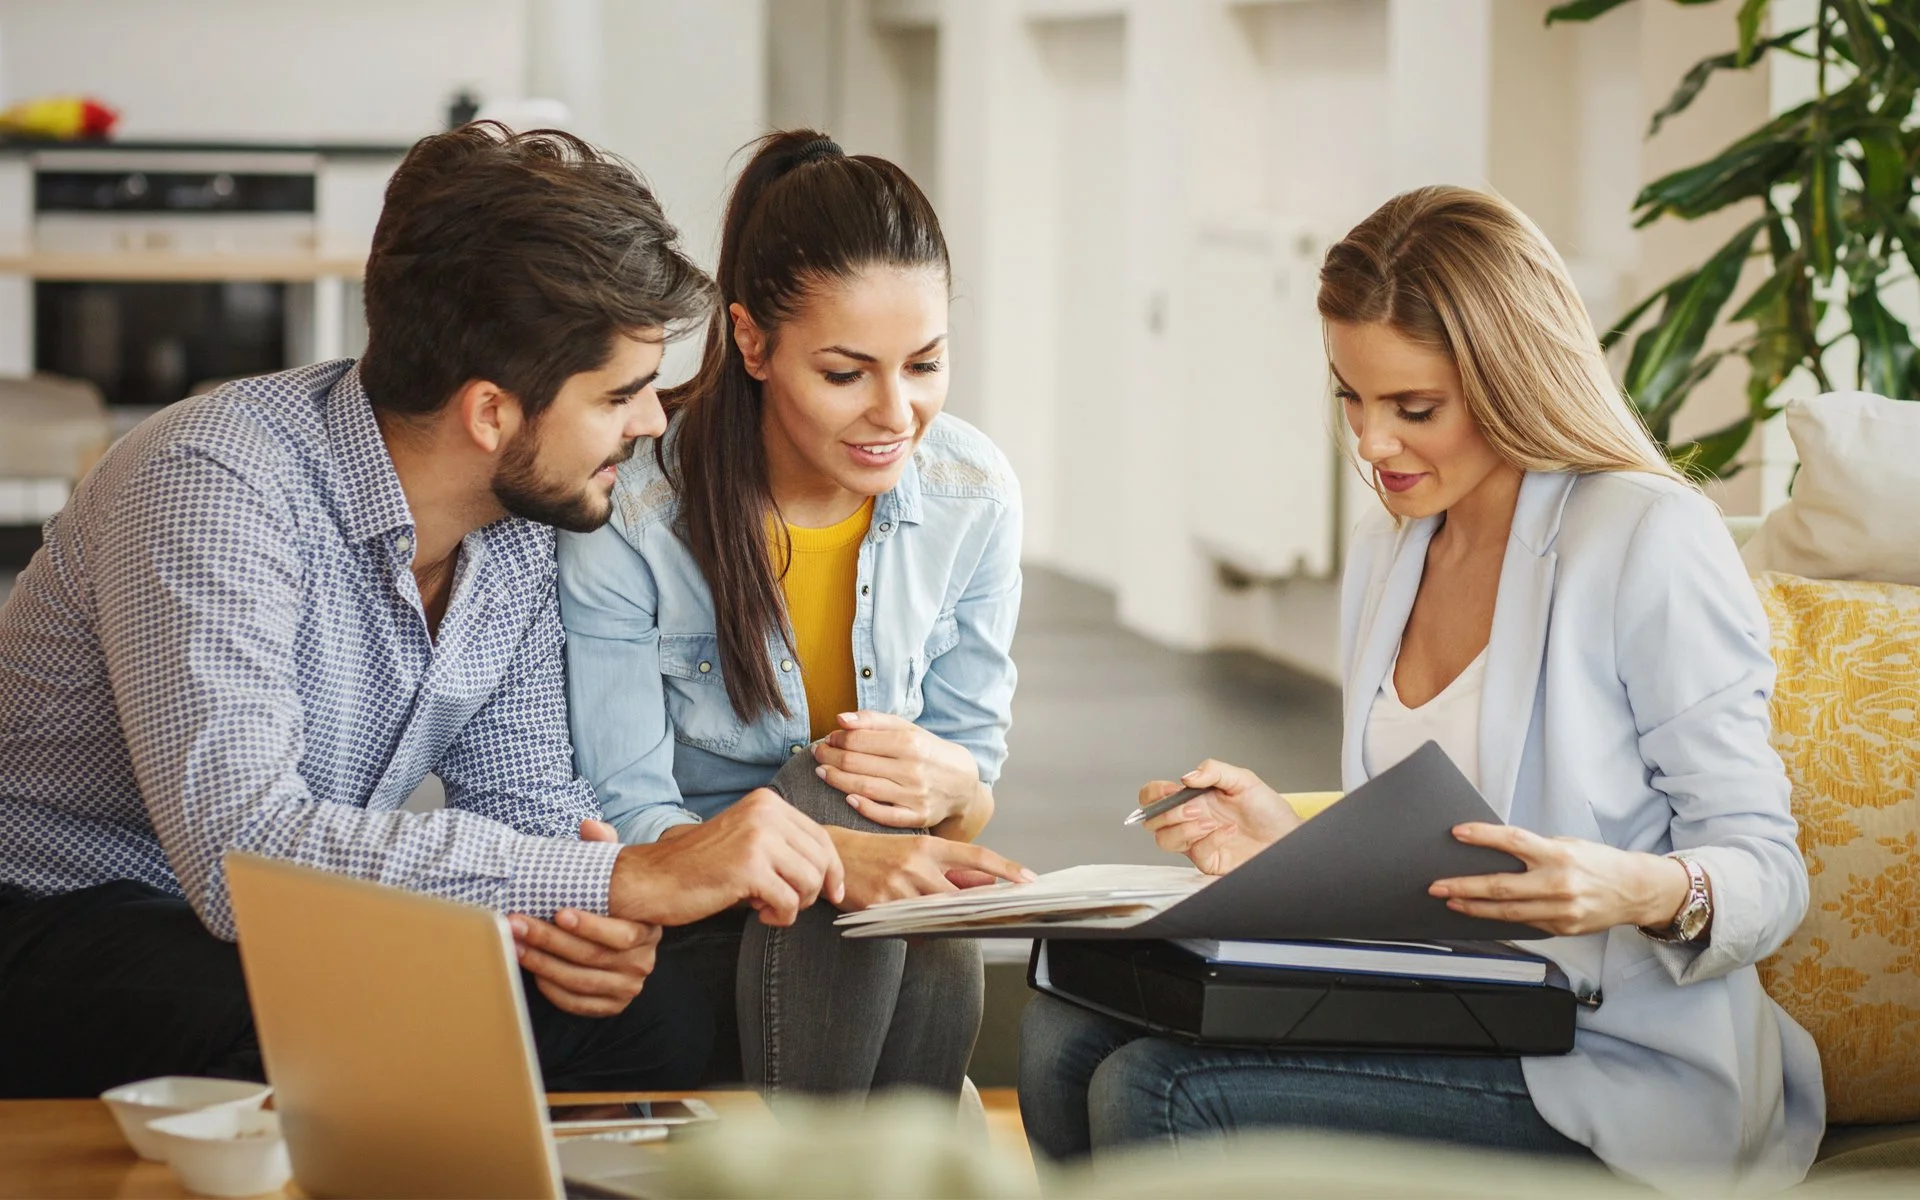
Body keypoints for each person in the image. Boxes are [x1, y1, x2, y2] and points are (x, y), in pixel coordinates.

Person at [0, 122, 845, 1099]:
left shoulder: (521, 522)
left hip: (279, 925)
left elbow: (526, 799)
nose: (652, 422)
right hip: (58, 915)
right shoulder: (213, 483)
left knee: (648, 1017)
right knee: (315, 1012)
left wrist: (584, 928)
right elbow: (243, 854)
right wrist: (619, 882)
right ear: (491, 412)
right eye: (620, 395)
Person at [1018, 186, 1823, 1190]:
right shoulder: (1391, 551)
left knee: (1162, 1089)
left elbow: (1769, 872)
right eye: (1350, 397)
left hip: (1611, 1063)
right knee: (1060, 1034)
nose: (1371, 444)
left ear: (1513, 380)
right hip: (1450, 1011)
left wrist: (1636, 888)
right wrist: (1288, 840)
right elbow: (1438, 843)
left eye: (1414, 408)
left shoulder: (1646, 538)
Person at [558, 130, 1029, 1098]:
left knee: (905, 863)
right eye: (847, 373)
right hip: (703, 914)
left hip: (878, 916)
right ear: (752, 342)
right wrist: (832, 852)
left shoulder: (973, 492)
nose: (896, 413)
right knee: (825, 791)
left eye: (926, 365)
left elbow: (969, 787)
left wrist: (950, 788)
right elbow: (628, 813)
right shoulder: (638, 514)